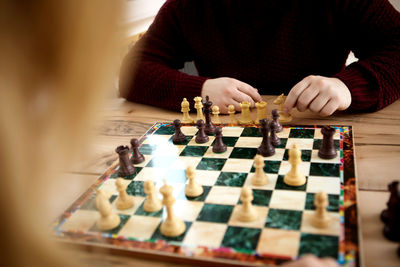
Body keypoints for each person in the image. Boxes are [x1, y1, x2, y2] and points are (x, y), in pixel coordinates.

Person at [119, 0, 400, 116]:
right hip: (221, 147)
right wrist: (200, 91)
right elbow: (132, 72)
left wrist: (348, 86)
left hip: (320, 129)